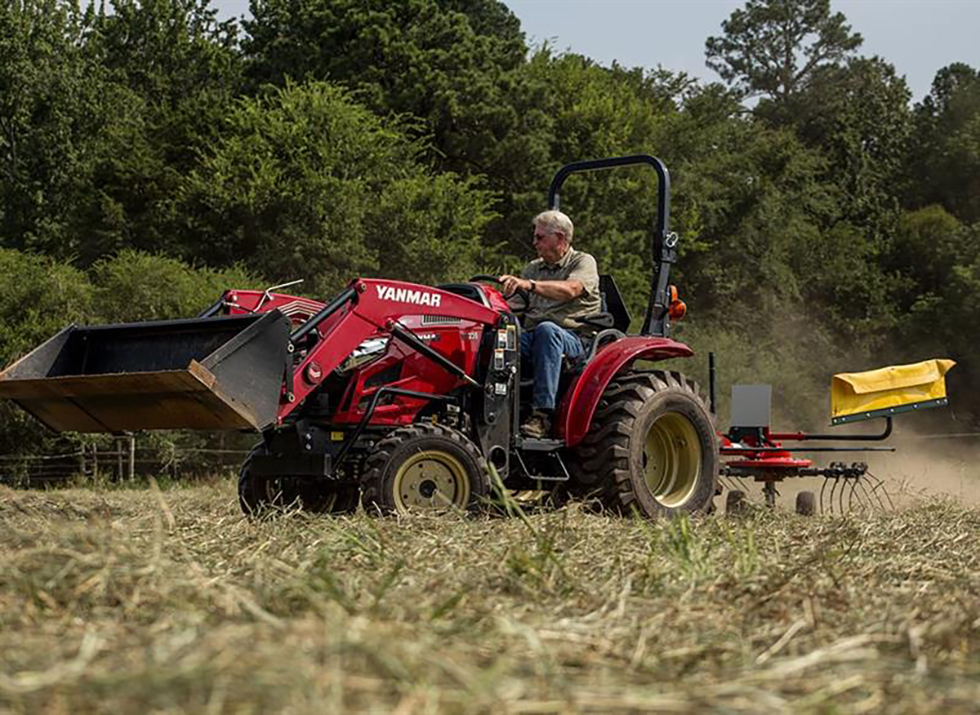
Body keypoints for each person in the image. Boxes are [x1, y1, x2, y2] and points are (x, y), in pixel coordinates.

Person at [500, 209, 601, 438]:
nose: (534, 242)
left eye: (540, 237)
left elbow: (572, 289)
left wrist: (529, 285)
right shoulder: (534, 268)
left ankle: (542, 415)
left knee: (547, 330)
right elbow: (514, 304)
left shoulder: (583, 262)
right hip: (534, 337)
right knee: (498, 332)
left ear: (560, 238)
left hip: (574, 340)